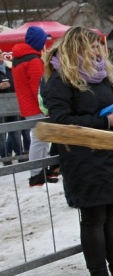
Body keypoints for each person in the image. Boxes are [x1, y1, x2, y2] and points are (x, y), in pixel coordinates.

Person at [41, 26, 113, 276]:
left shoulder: (102, 76)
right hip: (84, 159)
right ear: (76, 49)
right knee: (94, 219)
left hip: (111, 154)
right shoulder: (60, 80)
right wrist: (103, 121)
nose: (98, 51)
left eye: (98, 47)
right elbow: (60, 122)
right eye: (92, 47)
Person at [11, 25, 58, 186]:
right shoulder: (33, 60)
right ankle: (37, 173)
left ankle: (41, 170)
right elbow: (39, 89)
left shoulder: (19, 58)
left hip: (28, 105)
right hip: (36, 106)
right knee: (40, 140)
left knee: (40, 139)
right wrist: (47, 106)